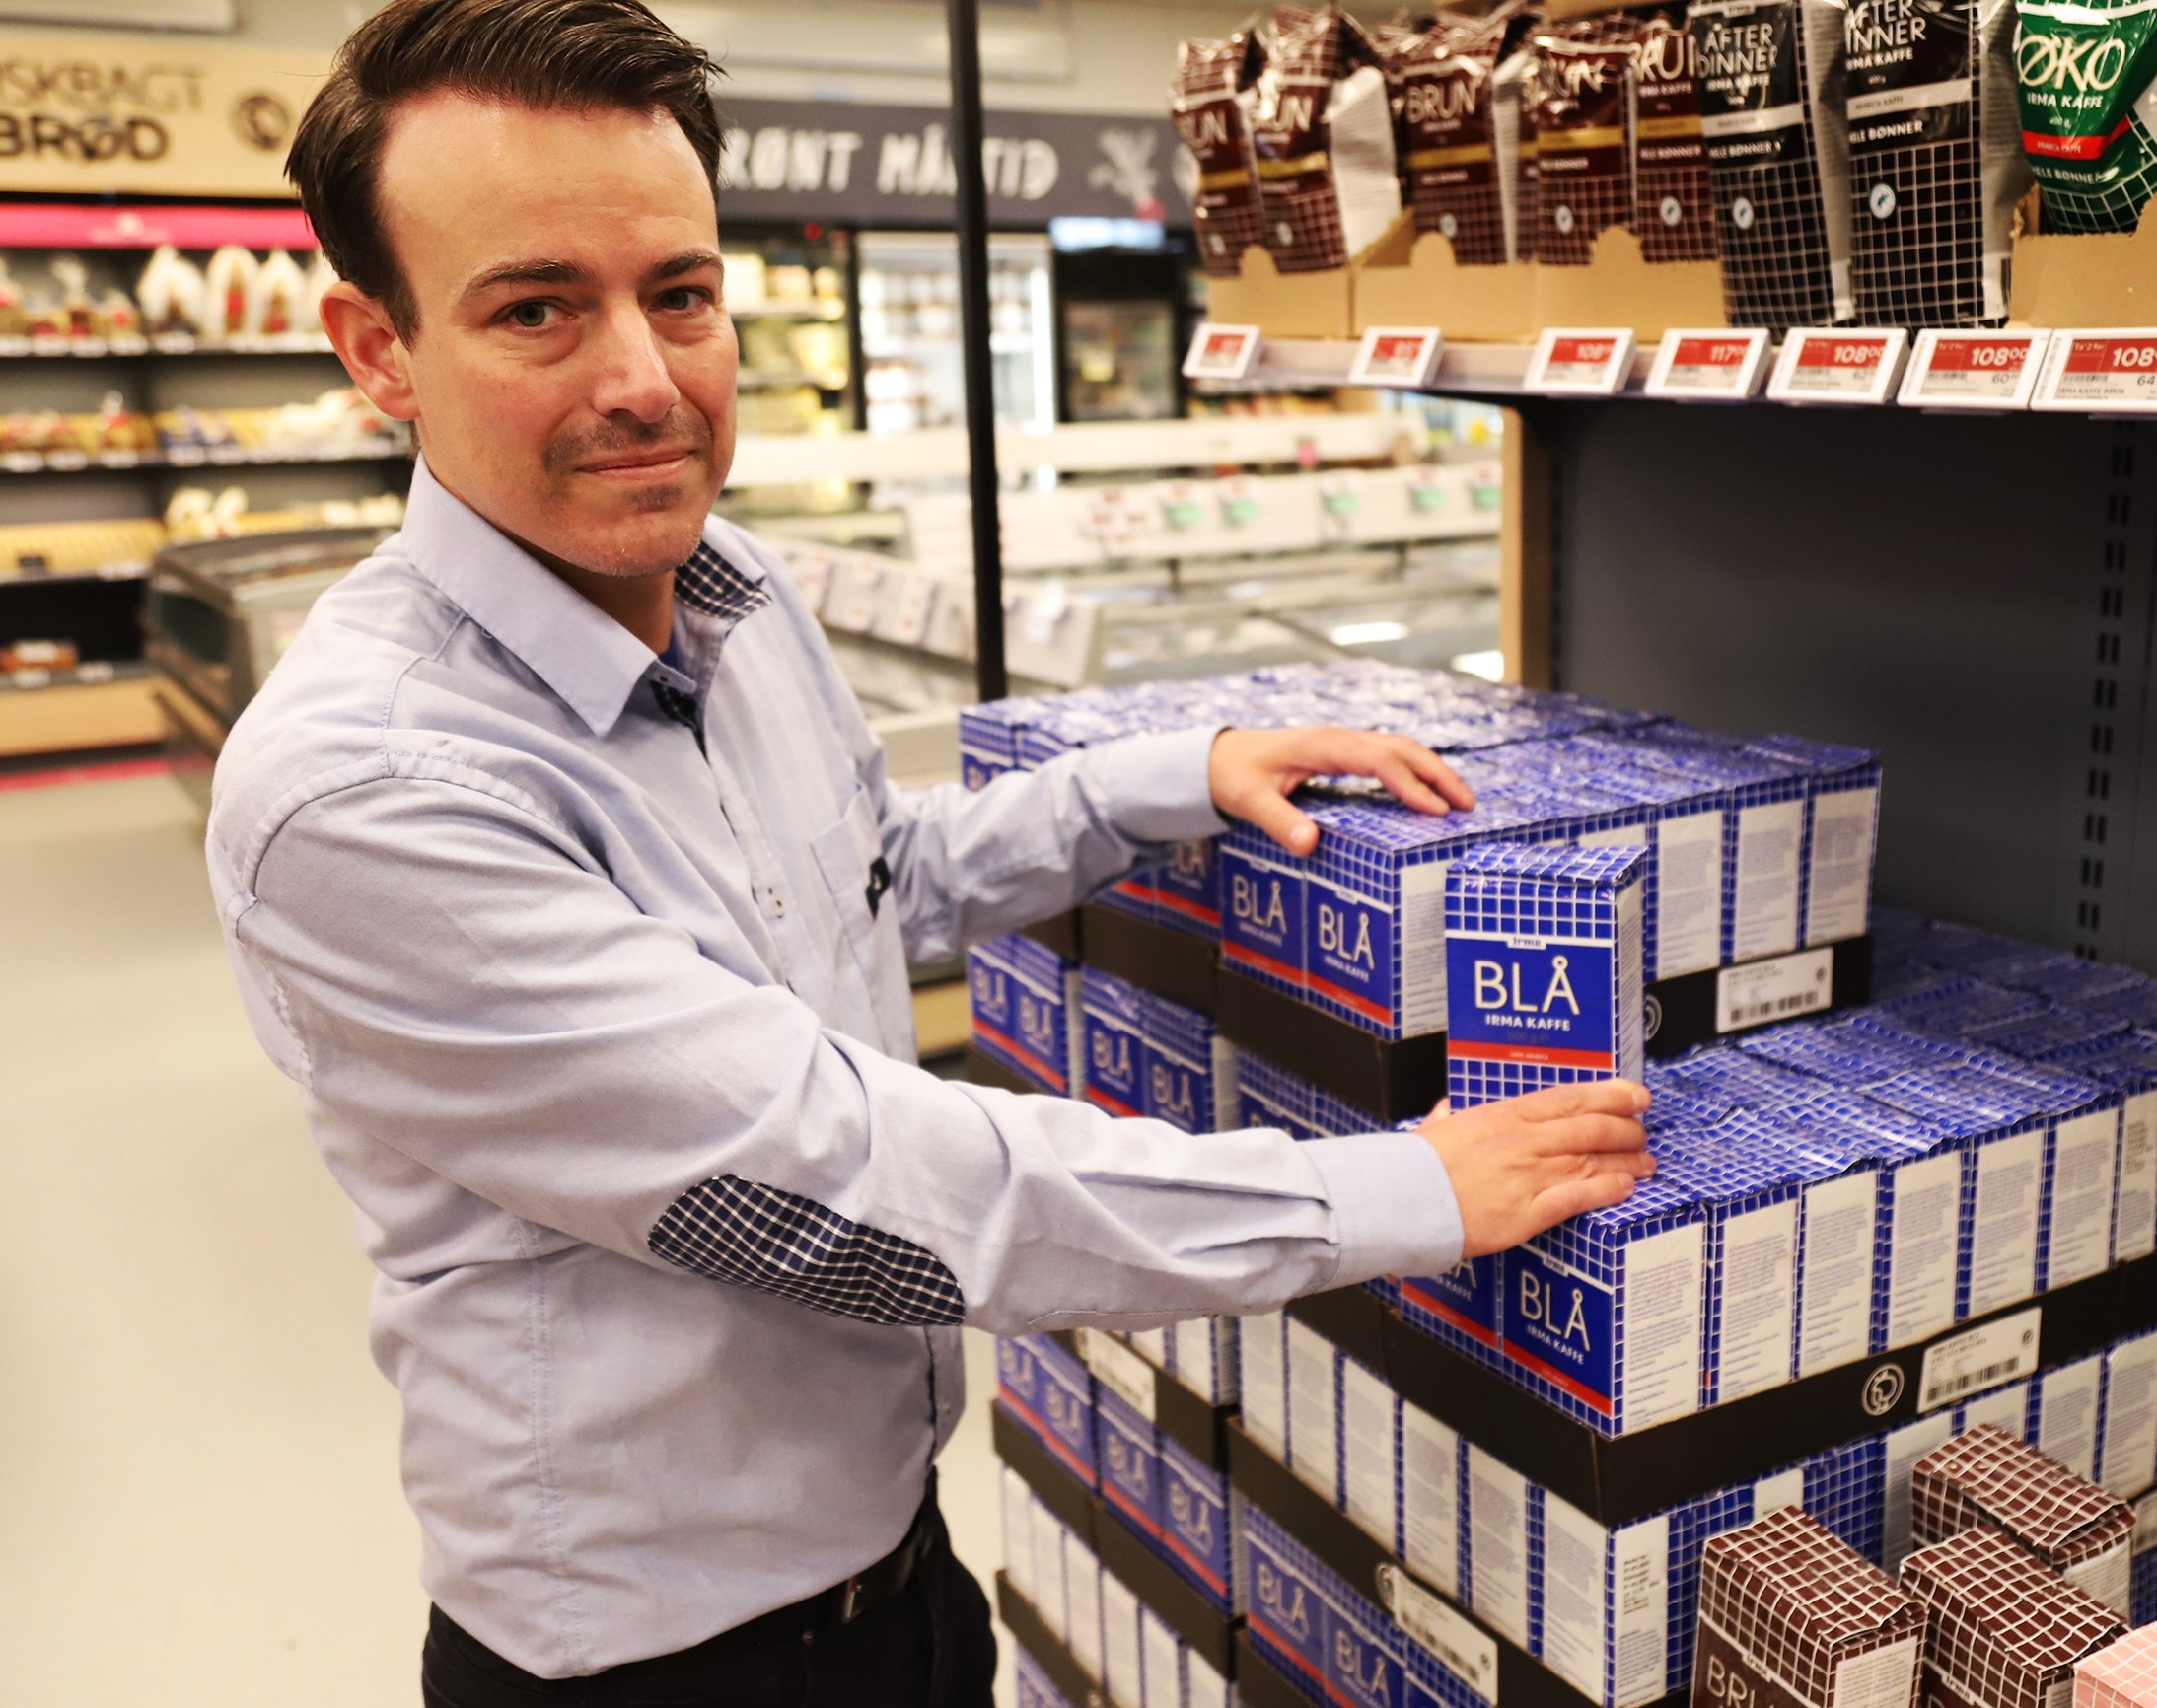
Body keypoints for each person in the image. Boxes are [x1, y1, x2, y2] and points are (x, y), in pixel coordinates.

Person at [210, 1, 1654, 1701]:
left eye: (679, 294)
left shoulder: (729, 595)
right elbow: (836, 1183)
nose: (642, 381)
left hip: (898, 1560)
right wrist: (1391, 1191)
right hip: (660, 1658)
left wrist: (1164, 777)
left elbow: (871, 880)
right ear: (377, 348)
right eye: (535, 309)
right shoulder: (367, 792)